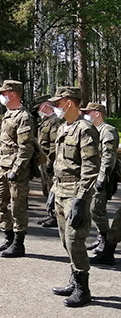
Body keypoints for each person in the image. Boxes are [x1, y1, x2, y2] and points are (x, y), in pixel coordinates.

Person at [49, 87, 100, 308]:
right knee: (65, 241)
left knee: (75, 240)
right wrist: (52, 191)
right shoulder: (63, 128)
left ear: (69, 102)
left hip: (75, 193)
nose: (56, 107)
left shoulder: (85, 130)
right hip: (60, 190)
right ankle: (73, 279)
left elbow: (90, 169)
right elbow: (59, 164)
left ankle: (83, 288)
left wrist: (81, 200)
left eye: (58, 103)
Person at [0, 80, 34, 258]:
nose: (1, 96)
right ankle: (9, 237)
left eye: (4, 92)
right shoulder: (8, 114)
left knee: (18, 207)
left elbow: (26, 148)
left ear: (13, 94)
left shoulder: (24, 117)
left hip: (17, 169)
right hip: (4, 166)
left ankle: (18, 243)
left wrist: (16, 169)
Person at [79, 103, 119, 255]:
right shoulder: (93, 131)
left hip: (104, 177)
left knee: (96, 209)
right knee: (93, 209)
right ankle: (100, 236)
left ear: (96, 113)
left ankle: (106, 238)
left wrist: (102, 178)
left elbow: (109, 158)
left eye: (87, 113)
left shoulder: (107, 131)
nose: (85, 115)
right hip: (92, 176)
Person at [33, 95, 62, 228]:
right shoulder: (45, 122)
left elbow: (54, 145)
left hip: (50, 162)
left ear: (45, 106)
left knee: (52, 189)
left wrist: (50, 163)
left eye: (39, 108)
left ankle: (56, 216)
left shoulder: (54, 122)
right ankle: (50, 214)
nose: (39, 111)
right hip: (43, 161)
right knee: (46, 189)